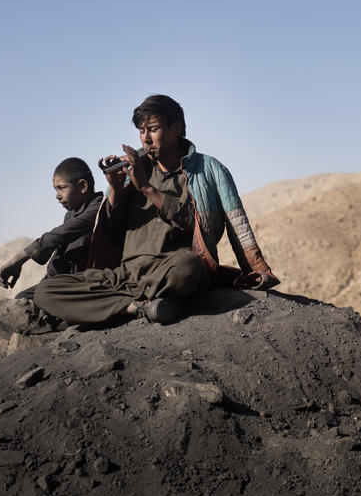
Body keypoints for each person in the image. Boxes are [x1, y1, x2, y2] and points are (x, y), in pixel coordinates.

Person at [33, 94, 279, 326]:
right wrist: (116, 190)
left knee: (189, 267)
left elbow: (207, 227)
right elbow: (111, 231)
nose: (146, 139)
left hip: (172, 268)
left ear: (177, 128)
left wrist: (147, 189)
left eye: (153, 129)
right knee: (46, 291)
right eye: (141, 131)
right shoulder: (131, 169)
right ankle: (138, 308)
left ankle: (116, 306)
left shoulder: (210, 170)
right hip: (127, 274)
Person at [0, 157, 104, 299]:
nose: (57, 196)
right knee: (22, 298)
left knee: (41, 298)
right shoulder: (71, 214)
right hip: (57, 282)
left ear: (82, 186)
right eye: (56, 189)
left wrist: (18, 260)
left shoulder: (98, 208)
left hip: (79, 282)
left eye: (62, 188)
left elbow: (56, 236)